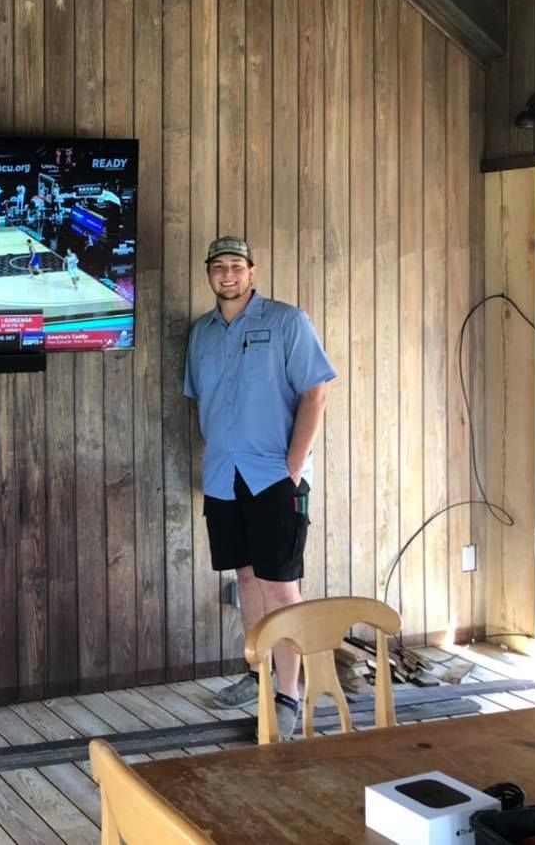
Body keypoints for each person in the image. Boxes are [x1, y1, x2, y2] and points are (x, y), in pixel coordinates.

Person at [183, 236, 335, 742]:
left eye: (236, 266)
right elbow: (200, 398)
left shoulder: (288, 322)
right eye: (218, 267)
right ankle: (258, 675)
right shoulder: (201, 333)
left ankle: (288, 695)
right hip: (223, 476)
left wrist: (293, 468)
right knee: (246, 579)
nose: (227, 274)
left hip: (274, 477)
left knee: (280, 586)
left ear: (252, 272)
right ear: (209, 273)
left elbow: (316, 393)